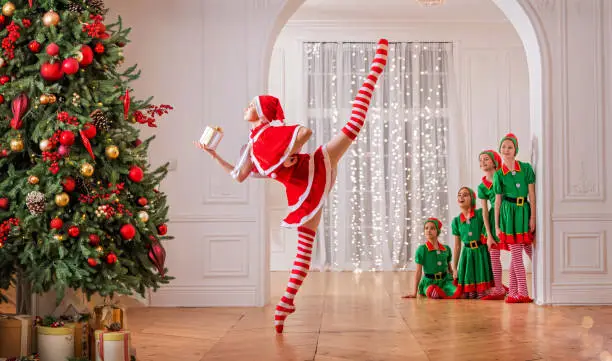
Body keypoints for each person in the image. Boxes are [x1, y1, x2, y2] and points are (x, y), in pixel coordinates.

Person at [196, 39, 389, 332]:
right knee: (304, 247)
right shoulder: (252, 145)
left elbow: (304, 132)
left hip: (312, 166)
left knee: (352, 126)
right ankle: (287, 301)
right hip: (300, 188)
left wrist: (288, 155)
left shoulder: (271, 131)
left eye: (251, 105)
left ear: (261, 112)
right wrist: (213, 155)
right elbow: (238, 175)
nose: (246, 108)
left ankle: (375, 70)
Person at [494, 133, 536, 303]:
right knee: (516, 252)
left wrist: (533, 217)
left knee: (518, 253)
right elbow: (497, 202)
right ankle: (522, 293)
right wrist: (497, 226)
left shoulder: (525, 168)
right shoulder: (499, 174)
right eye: (504, 147)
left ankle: (513, 292)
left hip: (523, 210)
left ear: (515, 150)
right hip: (508, 213)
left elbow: (532, 195)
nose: (506, 150)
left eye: (510, 147)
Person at [452, 187, 494, 299]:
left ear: (473, 198)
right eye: (459, 194)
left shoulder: (480, 214)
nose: (461, 197)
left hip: (481, 253)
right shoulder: (456, 221)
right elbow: (457, 246)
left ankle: (483, 291)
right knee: (468, 294)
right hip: (467, 255)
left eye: (465, 194)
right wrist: (454, 267)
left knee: (481, 292)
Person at [402, 218, 458, 299]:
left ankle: (445, 291)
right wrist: (414, 293)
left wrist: (455, 278)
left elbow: (450, 270)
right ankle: (436, 292)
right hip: (429, 282)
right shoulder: (422, 249)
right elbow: (418, 272)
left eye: (432, 228)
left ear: (437, 231)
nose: (428, 230)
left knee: (459, 292)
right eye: (426, 228)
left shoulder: (446, 249)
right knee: (433, 292)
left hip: (445, 281)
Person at [477, 150, 507, 300]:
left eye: (486, 159)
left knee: (518, 250)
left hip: (508, 216)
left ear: (495, 161)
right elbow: (484, 211)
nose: (482, 162)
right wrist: (489, 234)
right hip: (492, 220)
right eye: (480, 160)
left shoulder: (503, 177)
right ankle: (499, 288)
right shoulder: (482, 187)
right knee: (494, 256)